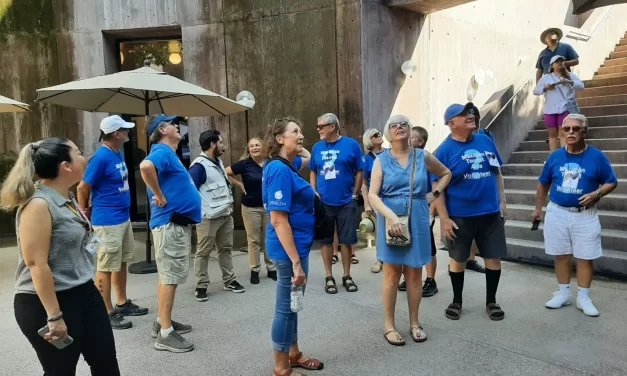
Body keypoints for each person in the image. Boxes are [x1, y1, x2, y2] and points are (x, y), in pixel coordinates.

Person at [0, 138, 121, 375]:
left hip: (84, 292)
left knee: (106, 363)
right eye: (78, 152)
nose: (84, 157)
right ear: (66, 165)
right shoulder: (38, 204)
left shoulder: (67, 197)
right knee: (61, 371)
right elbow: (36, 264)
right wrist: (54, 316)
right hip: (46, 302)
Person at [368, 115, 451, 345]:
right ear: (388, 133)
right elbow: (373, 194)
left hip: (417, 217)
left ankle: (415, 323)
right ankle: (389, 326)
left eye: (403, 124)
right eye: (393, 125)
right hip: (391, 219)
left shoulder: (422, 156)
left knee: (415, 273)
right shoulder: (380, 160)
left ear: (410, 129)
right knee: (392, 274)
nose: (399, 127)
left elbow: (446, 173)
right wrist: (390, 216)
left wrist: (433, 195)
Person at [532, 114, 617, 317]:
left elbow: (611, 181)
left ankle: (584, 297)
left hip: (584, 215)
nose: (570, 132)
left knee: (585, 257)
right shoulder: (555, 156)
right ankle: (563, 293)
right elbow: (543, 183)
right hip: (557, 212)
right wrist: (538, 209)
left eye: (575, 129)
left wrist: (597, 194)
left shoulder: (596, 156)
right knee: (561, 255)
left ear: (584, 132)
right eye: (567, 128)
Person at [434, 102, 508, 322]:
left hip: (490, 214)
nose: (470, 115)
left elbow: (497, 173)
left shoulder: (485, 140)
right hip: (460, 217)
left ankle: (491, 301)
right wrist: (444, 219)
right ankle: (457, 301)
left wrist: (503, 202)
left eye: (471, 112)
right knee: (458, 260)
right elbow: (437, 188)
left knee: (493, 258)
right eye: (463, 114)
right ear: (451, 123)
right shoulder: (444, 151)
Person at [263, 117, 324, 376]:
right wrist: (296, 263)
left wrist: (296, 146)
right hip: (289, 252)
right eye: (295, 132)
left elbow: (308, 158)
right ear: (279, 139)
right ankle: (281, 369)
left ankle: (293, 353)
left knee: (294, 303)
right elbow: (278, 220)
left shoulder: (288, 165)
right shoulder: (278, 170)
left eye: (301, 130)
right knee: (285, 307)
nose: (302, 135)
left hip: (298, 247)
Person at [77, 115, 148, 331]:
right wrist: (85, 213)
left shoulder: (115, 153)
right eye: (125, 130)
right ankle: (106, 311)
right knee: (105, 265)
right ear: (117, 134)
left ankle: (122, 302)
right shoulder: (100, 158)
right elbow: (82, 187)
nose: (129, 132)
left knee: (121, 261)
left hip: (120, 218)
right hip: (106, 223)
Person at [140, 117, 199, 353]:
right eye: (173, 124)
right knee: (169, 277)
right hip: (170, 224)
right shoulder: (162, 150)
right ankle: (165, 333)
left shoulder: (166, 152)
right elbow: (145, 167)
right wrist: (159, 194)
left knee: (167, 276)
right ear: (163, 130)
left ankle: (162, 321)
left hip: (174, 224)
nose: (178, 126)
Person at [227, 137, 311, 285]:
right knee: (253, 240)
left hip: (270, 208)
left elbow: (307, 157)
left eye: (257, 145)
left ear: (263, 147)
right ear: (248, 150)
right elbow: (225, 172)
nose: (254, 148)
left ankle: (271, 267)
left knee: (269, 237)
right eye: (251, 146)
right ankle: (255, 269)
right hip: (250, 207)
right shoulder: (244, 164)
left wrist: (295, 142)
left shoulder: (271, 162)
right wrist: (239, 184)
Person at [309, 113, 364, 294]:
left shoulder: (351, 145)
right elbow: (313, 171)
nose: (318, 130)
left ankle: (347, 275)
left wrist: (355, 194)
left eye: (321, 126)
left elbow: (359, 171)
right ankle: (329, 276)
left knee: (346, 241)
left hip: (346, 201)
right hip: (324, 202)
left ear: (332, 126)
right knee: (325, 241)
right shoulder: (317, 147)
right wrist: (314, 191)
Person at [189, 129, 246, 301]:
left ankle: (229, 281)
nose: (224, 146)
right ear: (212, 144)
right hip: (208, 218)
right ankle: (201, 286)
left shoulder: (218, 162)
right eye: (221, 142)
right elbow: (190, 191)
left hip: (225, 215)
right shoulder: (199, 166)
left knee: (225, 249)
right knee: (203, 252)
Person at [402, 125, 439, 297]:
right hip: (406, 212)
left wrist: (431, 212)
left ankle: (431, 280)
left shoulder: (426, 159)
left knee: (428, 247)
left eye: (411, 137)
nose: (408, 139)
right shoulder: (405, 158)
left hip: (422, 212)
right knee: (407, 244)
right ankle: (410, 277)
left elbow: (435, 188)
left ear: (420, 141)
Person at [534, 55, 585, 152]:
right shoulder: (546, 78)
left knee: (562, 135)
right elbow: (536, 91)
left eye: (561, 61)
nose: (560, 63)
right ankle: (554, 156)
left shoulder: (570, 75)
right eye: (557, 62)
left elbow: (581, 86)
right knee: (552, 135)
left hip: (565, 108)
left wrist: (570, 82)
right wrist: (545, 88)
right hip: (550, 109)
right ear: (552, 65)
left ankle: (564, 156)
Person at [361, 128, 386, 274]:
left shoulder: (390, 153)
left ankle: (393, 260)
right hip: (377, 198)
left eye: (379, 133)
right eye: (375, 135)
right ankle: (380, 259)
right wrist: (366, 203)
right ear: (369, 140)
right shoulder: (366, 159)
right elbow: (364, 184)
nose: (379, 136)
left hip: (392, 196)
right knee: (380, 232)